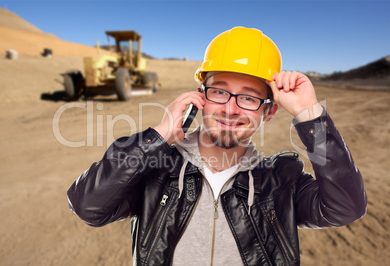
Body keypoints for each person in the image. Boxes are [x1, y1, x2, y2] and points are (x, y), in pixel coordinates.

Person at [67, 27, 367, 266]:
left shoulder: (281, 182)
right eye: (219, 92)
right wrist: (157, 137)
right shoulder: (154, 170)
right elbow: (87, 206)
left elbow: (346, 208)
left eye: (248, 97)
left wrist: (309, 115)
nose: (230, 109)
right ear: (201, 97)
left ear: (269, 111)